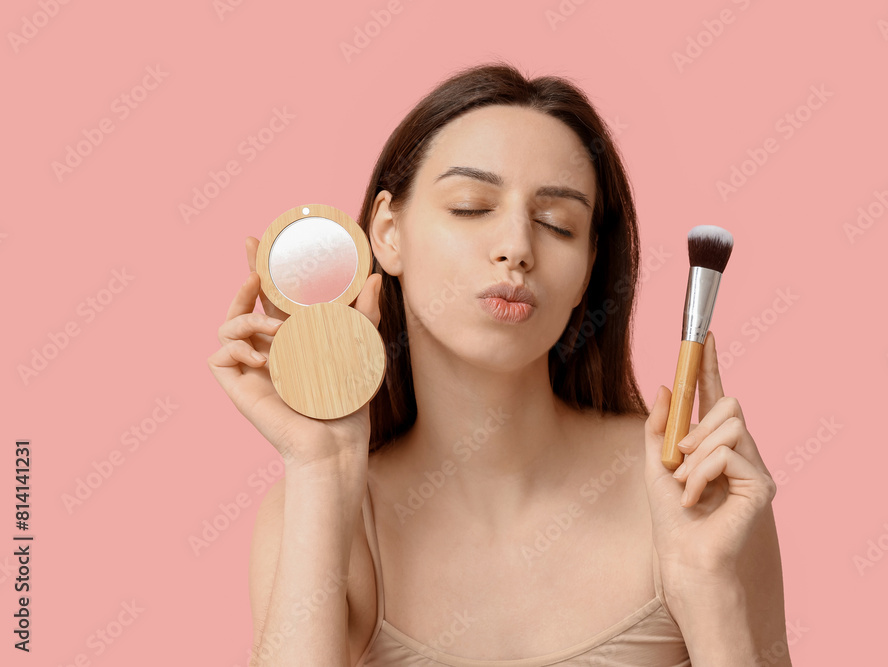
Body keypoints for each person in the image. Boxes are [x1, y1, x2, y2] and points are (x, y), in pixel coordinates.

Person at [208, 60, 790, 666]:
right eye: (470, 207)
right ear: (387, 232)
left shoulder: (696, 492)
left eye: (557, 224)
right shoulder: (325, 511)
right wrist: (324, 467)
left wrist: (708, 586)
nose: (516, 247)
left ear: (588, 270)